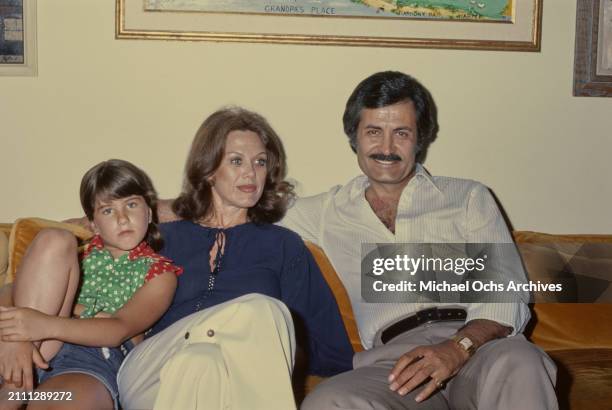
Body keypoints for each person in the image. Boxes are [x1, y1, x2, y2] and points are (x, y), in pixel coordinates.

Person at [280, 71, 559, 409]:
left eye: (401, 133)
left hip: (479, 349)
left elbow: (503, 292)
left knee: (522, 360)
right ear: (354, 136)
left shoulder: (467, 197)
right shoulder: (327, 211)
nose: (386, 148)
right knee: (329, 402)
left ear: (420, 138)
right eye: (373, 132)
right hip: (394, 366)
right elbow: (240, 208)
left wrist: (458, 349)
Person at [115, 107, 353, 409]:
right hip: (149, 372)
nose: (251, 173)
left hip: (219, 381)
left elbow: (327, 347)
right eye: (237, 161)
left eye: (260, 162)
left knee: (201, 361)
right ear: (209, 169)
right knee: (262, 310)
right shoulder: (162, 237)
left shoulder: (284, 246)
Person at [0, 159, 182, 410]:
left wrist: (40, 324)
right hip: (25, 348)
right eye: (108, 210)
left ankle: (18, 389)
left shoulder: (160, 274)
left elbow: (118, 328)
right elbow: (10, 292)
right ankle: (15, 383)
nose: (122, 218)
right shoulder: (72, 255)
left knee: (58, 400)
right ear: (93, 224)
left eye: (131, 204)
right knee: (55, 238)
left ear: (149, 212)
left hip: (88, 356)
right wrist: (17, 335)